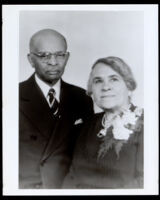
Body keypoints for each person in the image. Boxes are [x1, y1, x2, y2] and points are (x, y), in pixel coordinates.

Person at [19, 29, 93, 189]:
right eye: (44, 55)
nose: (53, 62)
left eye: (60, 55)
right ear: (31, 60)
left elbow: (85, 154)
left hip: (68, 187)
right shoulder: (12, 96)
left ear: (67, 58)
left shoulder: (82, 98)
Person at [62, 56, 144, 189]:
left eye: (114, 79)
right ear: (91, 91)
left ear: (129, 87)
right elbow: (71, 178)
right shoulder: (83, 127)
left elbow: (146, 181)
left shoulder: (148, 125)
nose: (105, 87)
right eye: (98, 81)